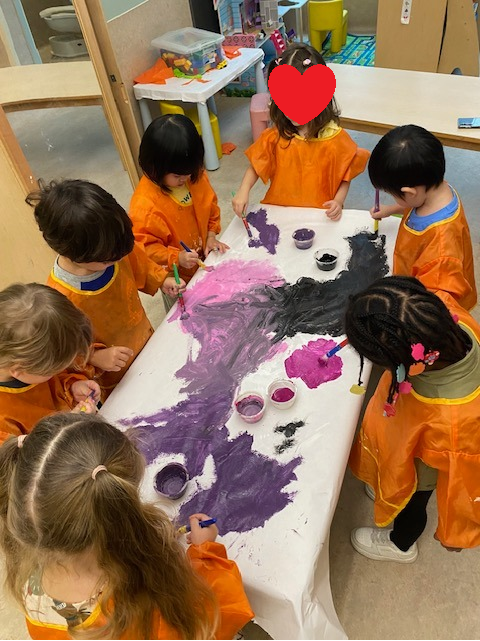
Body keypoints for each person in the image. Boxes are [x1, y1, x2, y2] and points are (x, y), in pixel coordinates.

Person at [0, 412, 254, 639]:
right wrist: (206, 552)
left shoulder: (31, 590)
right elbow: (215, 617)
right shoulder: (140, 602)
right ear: (117, 515)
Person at [345, 275, 480, 563]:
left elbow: (463, 483)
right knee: (393, 477)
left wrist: (456, 532)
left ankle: (401, 543)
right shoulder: (441, 313)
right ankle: (389, 487)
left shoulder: (456, 422)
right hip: (401, 435)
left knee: (412, 505)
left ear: (407, 366)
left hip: (420, 468)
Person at [27, 179, 185, 398]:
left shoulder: (111, 247)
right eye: (110, 260)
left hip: (145, 341)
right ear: (75, 255)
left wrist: (162, 280)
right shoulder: (59, 299)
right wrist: (94, 357)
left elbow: (140, 265)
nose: (120, 259)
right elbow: (65, 351)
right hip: (115, 375)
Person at [232, 43, 369, 221]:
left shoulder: (335, 138)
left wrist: (338, 201)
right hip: (281, 213)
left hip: (319, 215)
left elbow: (345, 176)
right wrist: (243, 190)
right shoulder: (275, 136)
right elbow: (256, 166)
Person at [368, 124, 476, 310]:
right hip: (413, 273)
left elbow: (435, 303)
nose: (393, 198)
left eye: (392, 194)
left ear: (409, 193)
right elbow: (413, 205)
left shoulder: (441, 247)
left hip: (429, 297)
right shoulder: (434, 189)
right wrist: (390, 209)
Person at [129, 114, 229, 310]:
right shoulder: (145, 206)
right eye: (177, 176)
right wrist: (177, 258)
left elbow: (210, 206)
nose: (184, 179)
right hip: (176, 279)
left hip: (203, 263)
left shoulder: (193, 176)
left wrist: (211, 235)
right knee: (185, 317)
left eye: (189, 173)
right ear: (154, 167)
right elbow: (144, 249)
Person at [0, 283, 100, 442]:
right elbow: (25, 454)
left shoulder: (33, 362)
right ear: (19, 370)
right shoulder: (3, 416)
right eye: (53, 371)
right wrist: (66, 427)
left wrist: (72, 387)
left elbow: (56, 382)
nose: (58, 372)